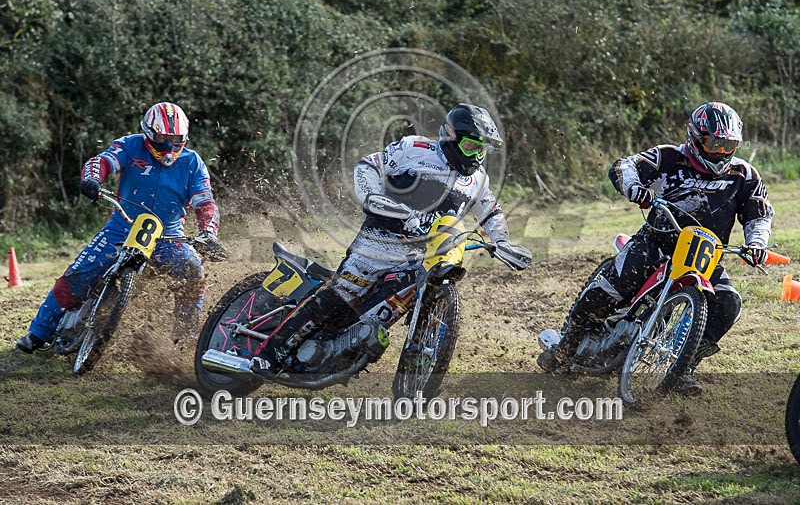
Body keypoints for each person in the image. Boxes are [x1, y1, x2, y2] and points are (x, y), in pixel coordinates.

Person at [250, 103, 531, 374]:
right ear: (450, 136)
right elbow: (368, 166)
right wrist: (372, 197)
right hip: (379, 240)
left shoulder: (478, 180)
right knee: (341, 295)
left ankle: (353, 350)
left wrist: (501, 241)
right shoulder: (415, 149)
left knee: (392, 305)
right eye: (471, 145)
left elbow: (491, 211)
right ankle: (267, 353)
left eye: (481, 148)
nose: (476, 154)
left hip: (423, 254)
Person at [537, 101, 774, 394]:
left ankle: (683, 367)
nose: (723, 152)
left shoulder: (744, 175)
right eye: (715, 143)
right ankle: (566, 345)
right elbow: (625, 167)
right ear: (697, 137)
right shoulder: (669, 157)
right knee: (612, 286)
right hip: (657, 242)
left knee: (729, 304)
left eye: (729, 145)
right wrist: (635, 188)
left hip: (705, 256)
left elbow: (759, 214)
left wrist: (757, 244)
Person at [17, 101, 223, 353]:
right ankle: (38, 333)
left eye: (175, 139)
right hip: (123, 225)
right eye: (161, 139)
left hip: (169, 236)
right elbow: (103, 161)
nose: (168, 146)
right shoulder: (130, 144)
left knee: (193, 271)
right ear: (147, 133)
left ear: (185, 138)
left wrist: (208, 233)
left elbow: (205, 201)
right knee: (77, 275)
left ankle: (186, 342)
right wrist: (92, 179)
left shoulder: (193, 162)